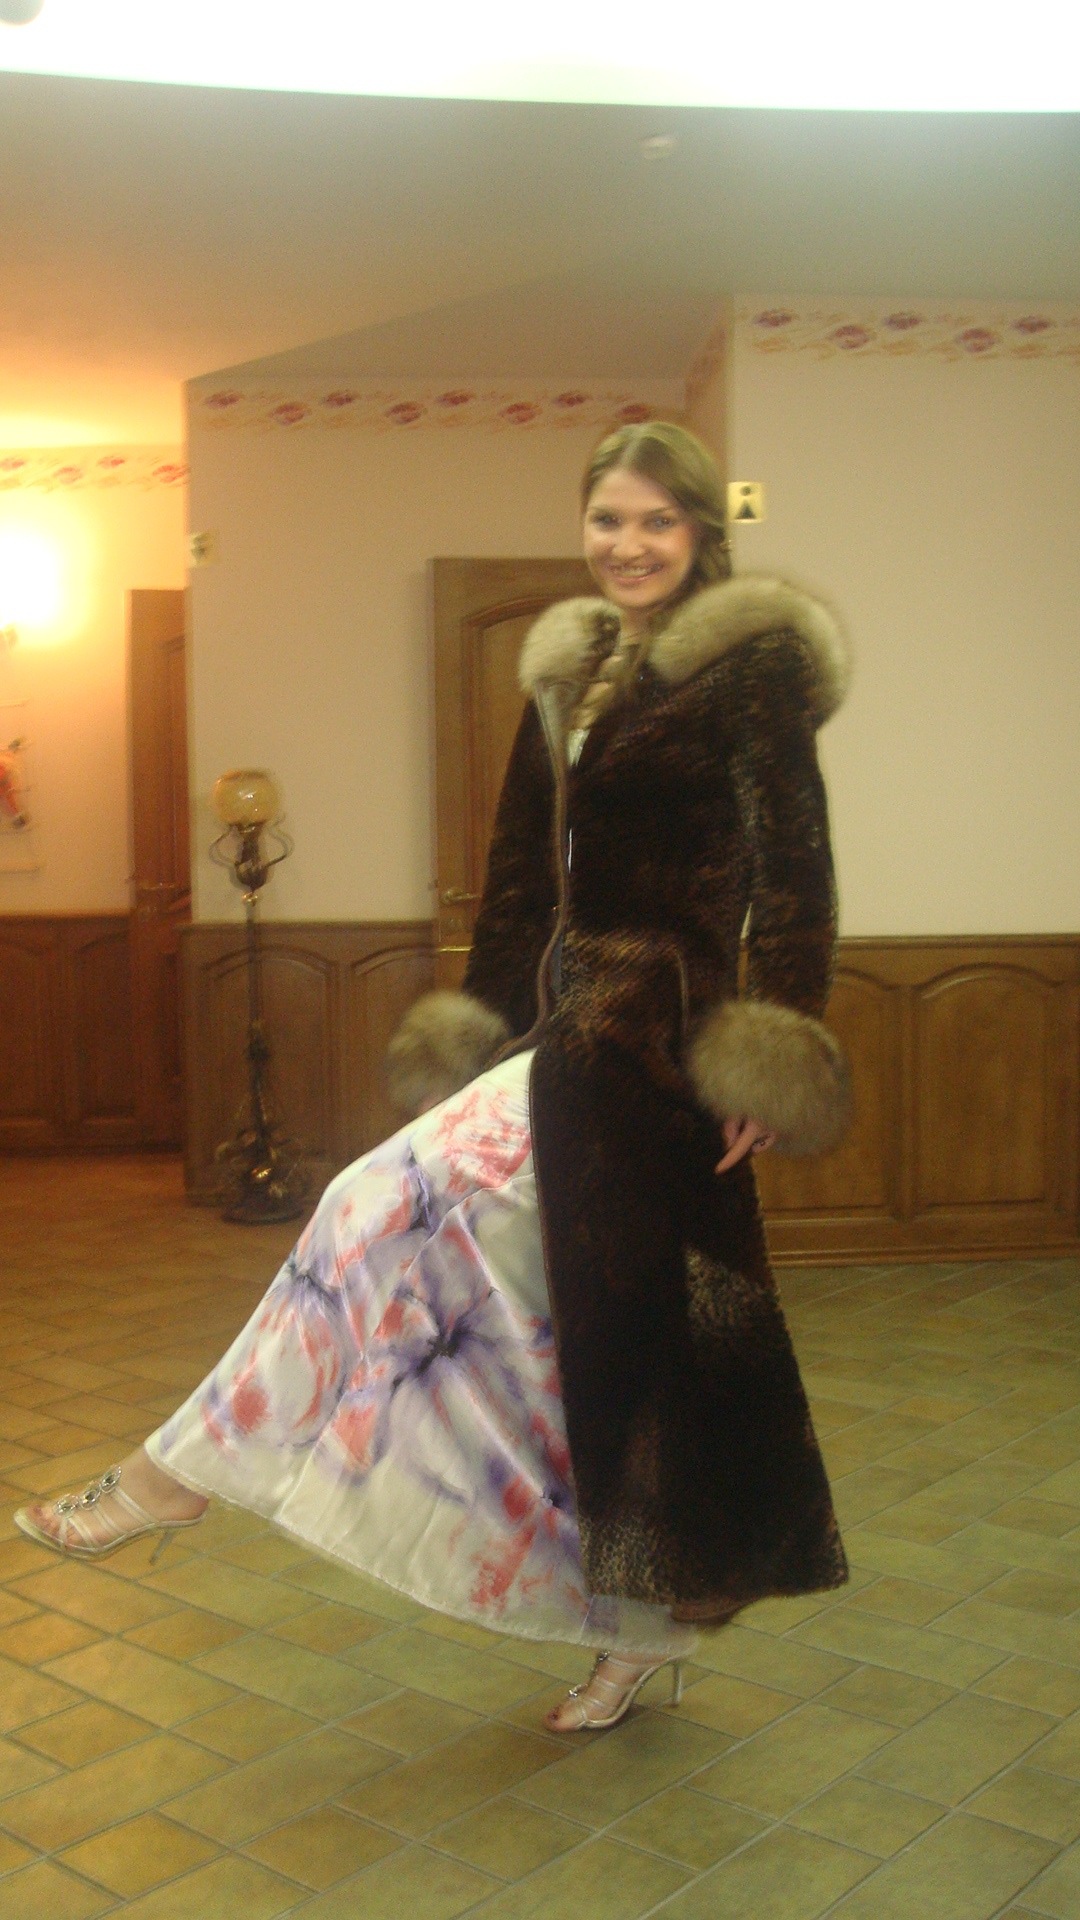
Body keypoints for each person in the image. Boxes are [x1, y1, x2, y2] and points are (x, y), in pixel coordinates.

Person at [16, 421, 852, 1733]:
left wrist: (773, 1051)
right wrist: (474, 1028)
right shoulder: (568, 671)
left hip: (664, 1060)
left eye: (657, 520)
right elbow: (520, 880)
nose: (629, 544)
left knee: (572, 1326)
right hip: (561, 1045)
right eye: (608, 518)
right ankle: (631, 1631)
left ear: (702, 530)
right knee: (544, 1344)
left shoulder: (752, 671)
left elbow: (797, 878)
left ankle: (171, 1480)